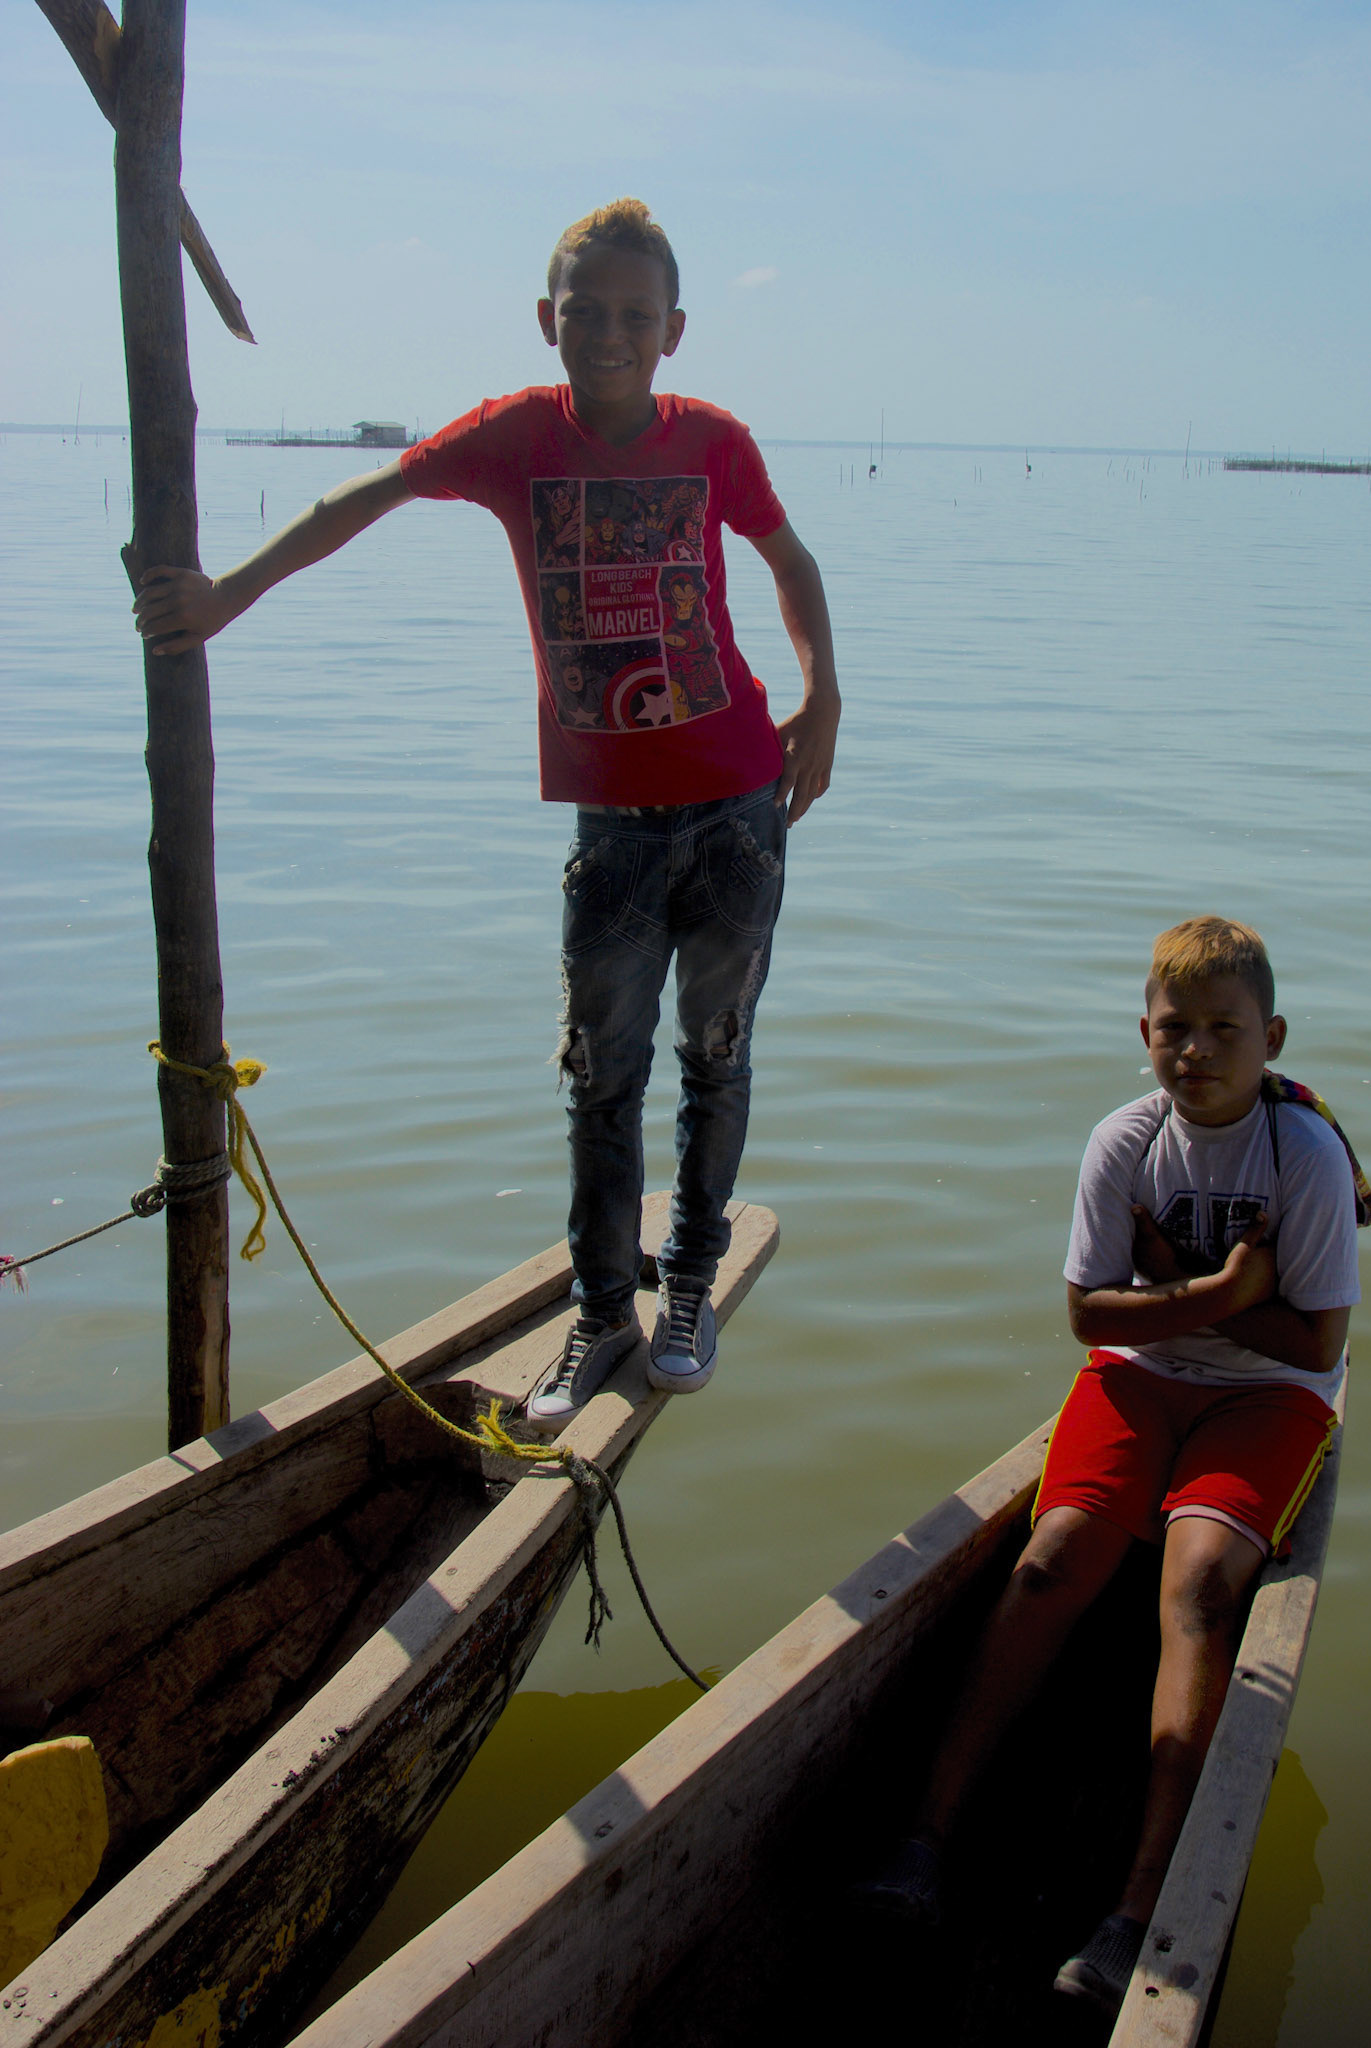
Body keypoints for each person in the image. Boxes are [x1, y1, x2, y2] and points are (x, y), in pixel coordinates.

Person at [132, 198, 840, 1430]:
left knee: (713, 1059)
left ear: (672, 331)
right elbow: (362, 499)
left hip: (736, 805)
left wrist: (825, 697)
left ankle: (689, 1287)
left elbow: (791, 562)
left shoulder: (712, 440)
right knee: (595, 1078)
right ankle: (601, 1310)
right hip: (612, 830)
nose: (608, 334)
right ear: (545, 321)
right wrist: (230, 593)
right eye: (586, 313)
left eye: (634, 316)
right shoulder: (515, 435)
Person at [858, 916, 1366, 2019]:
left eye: (1221, 1030)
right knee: (1048, 1560)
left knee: (1191, 1586)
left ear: (1267, 1036)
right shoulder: (1123, 1139)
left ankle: (1134, 1907)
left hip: (1270, 1397)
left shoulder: (1306, 1158)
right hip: (1140, 1370)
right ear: (1142, 1032)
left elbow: (1318, 1345)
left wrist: (1180, 1295)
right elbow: (1089, 1316)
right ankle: (923, 1835)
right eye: (1173, 1029)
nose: (1194, 1051)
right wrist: (1221, 1296)